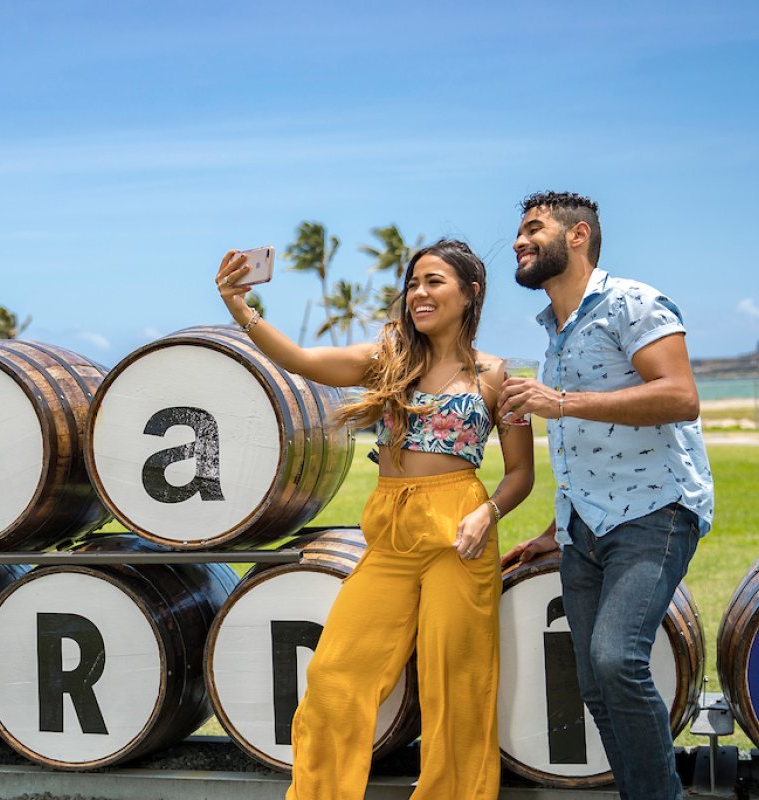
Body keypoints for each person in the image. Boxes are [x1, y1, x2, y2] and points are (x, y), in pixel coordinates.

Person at [216, 239, 534, 800]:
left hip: (459, 536)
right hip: (391, 538)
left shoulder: (497, 377)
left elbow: (519, 475)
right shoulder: (389, 358)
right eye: (413, 283)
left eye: (434, 281)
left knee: (457, 688)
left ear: (471, 293)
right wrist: (242, 310)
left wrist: (489, 512)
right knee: (335, 677)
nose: (419, 293)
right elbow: (303, 361)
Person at [500, 191, 713, 800]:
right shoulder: (555, 330)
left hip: (655, 511)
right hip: (583, 528)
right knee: (594, 682)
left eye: (532, 229)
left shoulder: (633, 302)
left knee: (618, 661)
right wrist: (554, 528)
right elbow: (585, 445)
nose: (518, 240)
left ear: (578, 235)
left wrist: (558, 402)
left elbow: (680, 396)